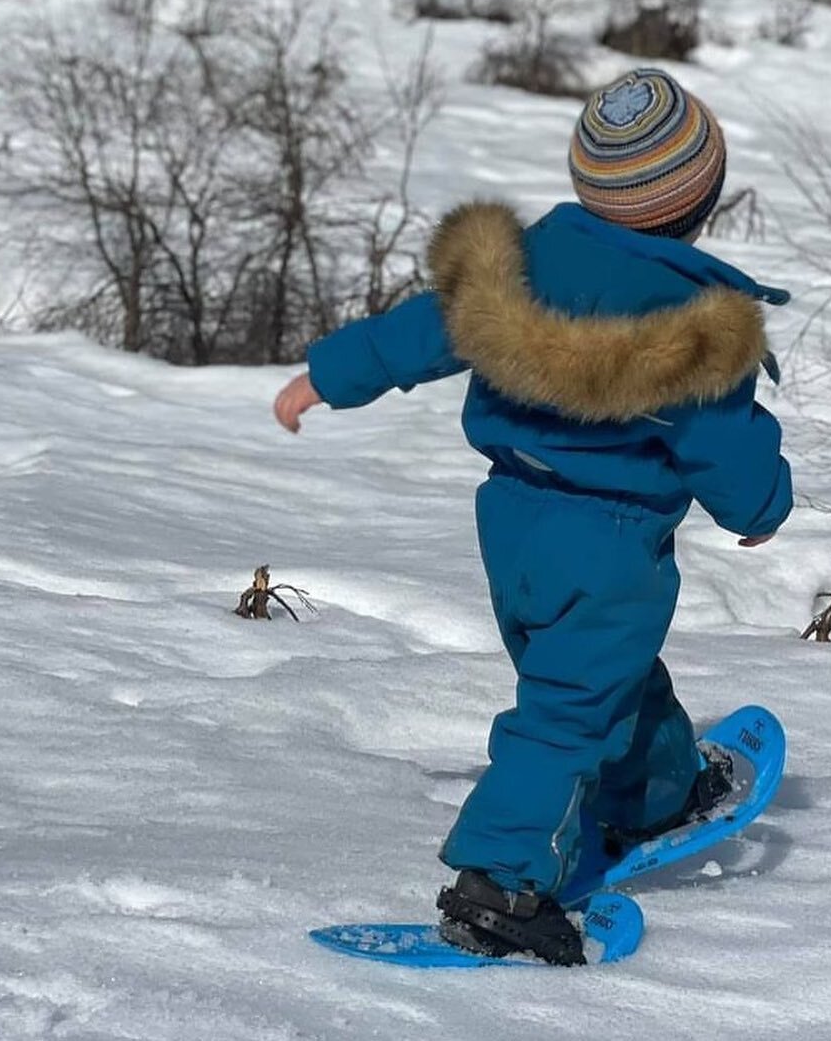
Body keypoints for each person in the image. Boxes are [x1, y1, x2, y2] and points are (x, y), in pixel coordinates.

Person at [273, 67, 793, 966]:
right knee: (565, 709)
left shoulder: (518, 272)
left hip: (509, 521)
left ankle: (658, 791)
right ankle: (499, 886)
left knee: (596, 677)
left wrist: (328, 374)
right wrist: (761, 506)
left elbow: (417, 330)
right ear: (700, 200)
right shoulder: (696, 325)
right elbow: (727, 446)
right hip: (611, 539)